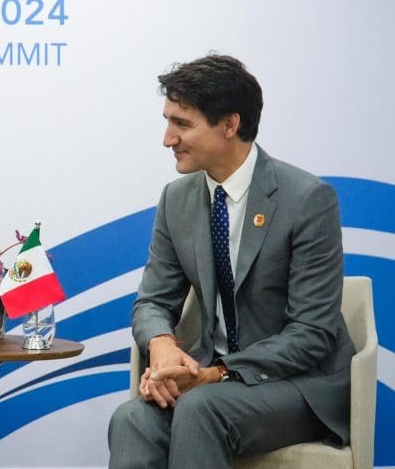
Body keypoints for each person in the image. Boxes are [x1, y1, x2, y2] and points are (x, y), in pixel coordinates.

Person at [107, 55, 355, 468]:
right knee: (131, 417)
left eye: (182, 124)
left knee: (202, 408)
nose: (168, 139)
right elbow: (152, 302)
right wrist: (163, 346)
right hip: (211, 384)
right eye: (167, 121)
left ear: (229, 124)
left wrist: (217, 373)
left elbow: (313, 333)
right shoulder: (177, 198)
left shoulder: (308, 199)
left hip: (297, 385)